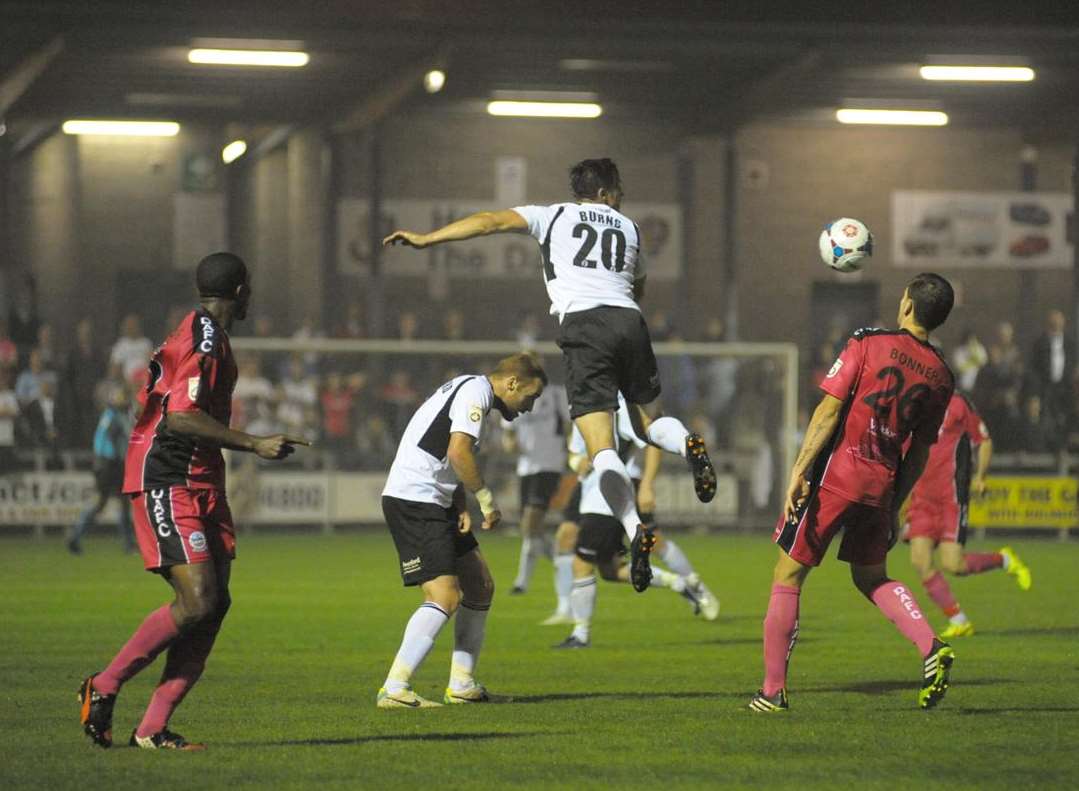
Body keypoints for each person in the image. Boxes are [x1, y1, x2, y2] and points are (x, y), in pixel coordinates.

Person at [383, 158, 716, 593]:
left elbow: (488, 223)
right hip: (629, 322)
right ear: (604, 193)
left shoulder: (552, 215)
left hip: (584, 326)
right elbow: (639, 289)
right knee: (651, 424)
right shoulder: (630, 229)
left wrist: (430, 239)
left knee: (602, 451)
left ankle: (635, 529)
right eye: (617, 191)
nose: (620, 199)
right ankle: (688, 442)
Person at [77, 252, 309, 751]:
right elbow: (180, 417)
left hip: (202, 477)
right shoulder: (205, 339)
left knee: (214, 604)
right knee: (199, 599)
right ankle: (106, 683)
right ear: (241, 292)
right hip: (169, 473)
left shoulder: (205, 333)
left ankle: (152, 727)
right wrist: (255, 442)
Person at [750, 273, 958, 713]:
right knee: (871, 577)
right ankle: (930, 644)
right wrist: (894, 504)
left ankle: (772, 691)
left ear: (906, 305)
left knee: (787, 576)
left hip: (837, 476)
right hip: (881, 484)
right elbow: (919, 451)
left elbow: (829, 410)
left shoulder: (869, 342)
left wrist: (798, 470)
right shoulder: (941, 375)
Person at [377, 353, 546, 707]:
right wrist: (485, 500)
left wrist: (459, 505)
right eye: (531, 397)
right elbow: (457, 452)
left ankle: (462, 685)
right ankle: (394, 687)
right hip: (415, 499)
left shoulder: (471, 390)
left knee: (480, 586)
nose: (530, 407)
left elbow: (440, 448)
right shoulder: (477, 392)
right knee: (445, 596)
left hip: (436, 500)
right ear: (512, 383)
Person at [554, 395, 720, 649]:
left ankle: (580, 634)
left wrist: (647, 486)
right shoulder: (581, 398)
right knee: (610, 568)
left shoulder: (615, 399)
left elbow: (650, 438)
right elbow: (576, 452)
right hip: (591, 487)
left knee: (583, 562)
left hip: (610, 490)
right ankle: (682, 582)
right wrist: (579, 462)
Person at [904, 392, 1031, 638]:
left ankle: (1003, 559)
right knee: (920, 560)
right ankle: (959, 620)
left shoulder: (958, 404)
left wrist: (981, 477)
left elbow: (984, 440)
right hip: (921, 498)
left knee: (954, 564)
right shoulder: (912, 404)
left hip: (951, 497)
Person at [500, 381, 571, 595]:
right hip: (526, 467)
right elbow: (509, 434)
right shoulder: (513, 396)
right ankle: (564, 562)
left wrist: (571, 453)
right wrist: (509, 443)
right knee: (531, 529)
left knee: (531, 523)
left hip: (550, 464)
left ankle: (522, 582)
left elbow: (569, 426)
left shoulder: (557, 394)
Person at [68, 384, 136, 555]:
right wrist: (113, 460)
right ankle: (75, 536)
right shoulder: (114, 416)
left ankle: (127, 543)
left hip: (107, 464)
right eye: (121, 396)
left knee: (114, 502)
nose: (124, 400)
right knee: (108, 502)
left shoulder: (114, 415)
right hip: (110, 464)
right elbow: (106, 440)